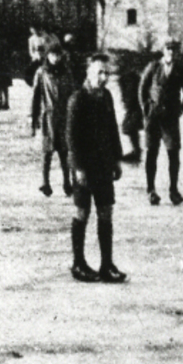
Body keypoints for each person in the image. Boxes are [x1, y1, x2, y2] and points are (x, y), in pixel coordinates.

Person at [66, 54, 125, 283]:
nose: (103, 77)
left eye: (106, 73)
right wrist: (78, 168)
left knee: (105, 211)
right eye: (99, 72)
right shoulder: (78, 99)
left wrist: (117, 159)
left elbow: (112, 129)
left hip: (103, 165)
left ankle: (106, 265)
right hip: (84, 167)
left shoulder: (106, 96)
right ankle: (78, 263)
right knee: (82, 212)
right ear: (88, 73)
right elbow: (71, 138)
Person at [139, 39, 183, 206]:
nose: (171, 52)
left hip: (170, 118)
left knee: (173, 153)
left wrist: (182, 109)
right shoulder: (153, 67)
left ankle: (173, 190)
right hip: (153, 118)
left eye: (174, 49)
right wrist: (146, 108)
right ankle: (151, 190)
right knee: (152, 152)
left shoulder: (181, 69)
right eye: (168, 48)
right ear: (163, 50)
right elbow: (142, 88)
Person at [31, 44, 76, 196]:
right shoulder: (42, 72)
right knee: (47, 152)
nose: (55, 58)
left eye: (58, 55)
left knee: (65, 151)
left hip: (64, 117)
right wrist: (34, 118)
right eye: (52, 55)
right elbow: (36, 96)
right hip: (48, 117)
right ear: (48, 56)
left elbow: (72, 94)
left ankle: (67, 182)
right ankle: (45, 182)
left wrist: (74, 115)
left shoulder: (67, 72)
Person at [117, 53, 146, 163]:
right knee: (130, 128)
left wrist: (127, 102)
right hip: (134, 107)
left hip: (135, 107)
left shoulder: (130, 77)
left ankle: (136, 152)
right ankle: (136, 151)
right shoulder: (126, 77)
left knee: (129, 127)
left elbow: (131, 93)